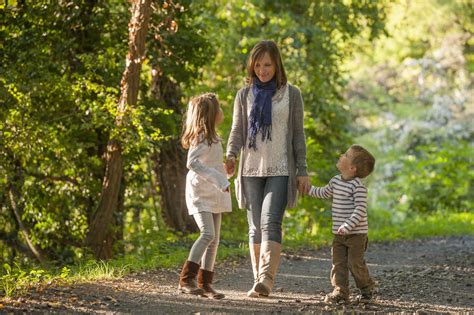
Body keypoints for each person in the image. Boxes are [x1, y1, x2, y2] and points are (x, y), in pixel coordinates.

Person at [225, 40, 310, 297]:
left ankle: (266, 279)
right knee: (254, 226)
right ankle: (258, 280)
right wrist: (230, 155)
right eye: (258, 65)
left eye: (268, 65)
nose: (263, 70)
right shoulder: (244, 94)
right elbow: (237, 130)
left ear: (277, 65)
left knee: (271, 220)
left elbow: (298, 135)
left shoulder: (291, 94)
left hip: (281, 168)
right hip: (250, 168)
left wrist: (302, 169)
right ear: (252, 66)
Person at [178, 93, 232, 299]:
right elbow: (192, 163)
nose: (222, 112)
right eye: (219, 109)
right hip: (201, 192)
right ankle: (186, 279)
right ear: (210, 115)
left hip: (215, 193)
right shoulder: (200, 136)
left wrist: (227, 171)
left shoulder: (215, 137)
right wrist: (219, 180)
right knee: (207, 234)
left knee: (215, 239)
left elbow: (212, 165)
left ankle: (206, 283)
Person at [307, 144, 376, 304]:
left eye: (345, 155)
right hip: (339, 234)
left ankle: (366, 288)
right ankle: (340, 291)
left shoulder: (357, 186)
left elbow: (360, 210)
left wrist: (348, 225)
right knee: (338, 263)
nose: (341, 155)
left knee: (354, 263)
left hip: (356, 234)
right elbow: (323, 192)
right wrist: (307, 189)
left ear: (352, 168)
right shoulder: (336, 181)